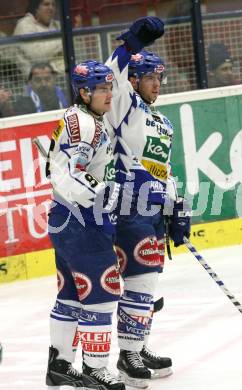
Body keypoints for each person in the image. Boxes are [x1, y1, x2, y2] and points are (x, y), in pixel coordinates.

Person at [104, 22, 191, 388]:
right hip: (128, 205)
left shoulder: (162, 122)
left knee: (147, 285)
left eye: (160, 77)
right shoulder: (126, 106)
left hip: (153, 209)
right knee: (139, 282)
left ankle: (138, 344)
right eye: (150, 77)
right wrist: (130, 44)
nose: (157, 83)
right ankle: (128, 354)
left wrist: (176, 207)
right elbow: (112, 75)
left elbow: (162, 170)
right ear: (135, 80)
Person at [45, 59, 127, 389]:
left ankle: (60, 365)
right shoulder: (85, 125)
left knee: (69, 295)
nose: (109, 94)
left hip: (66, 219)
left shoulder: (82, 118)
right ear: (84, 92)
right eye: (102, 89)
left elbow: (66, 168)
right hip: (80, 219)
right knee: (102, 292)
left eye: (110, 87)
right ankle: (95, 368)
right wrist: (103, 190)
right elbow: (69, 173)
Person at [13, 0, 63, 76]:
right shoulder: (24, 25)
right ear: (36, 8)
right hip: (35, 80)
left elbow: (76, 51)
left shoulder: (58, 25)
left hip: (62, 76)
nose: (51, 8)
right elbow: (38, 56)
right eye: (46, 4)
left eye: (53, 5)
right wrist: (62, 41)